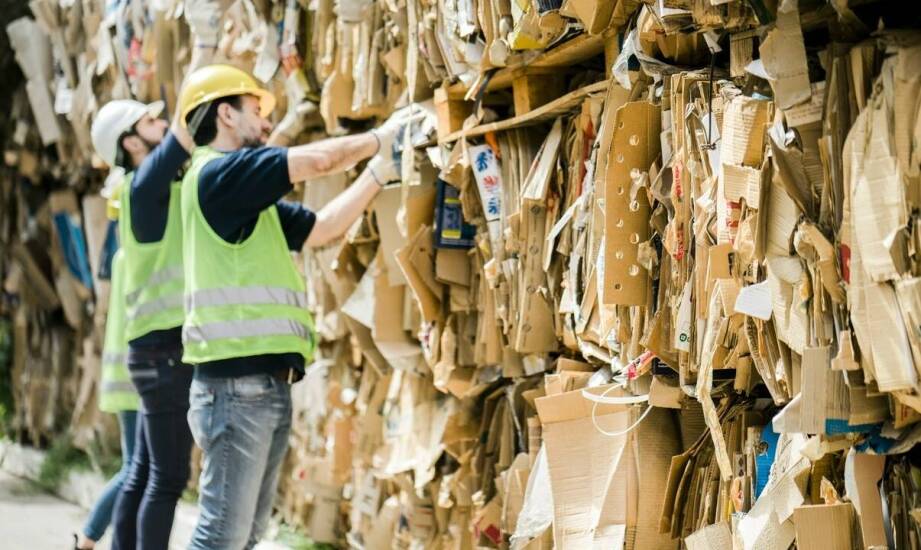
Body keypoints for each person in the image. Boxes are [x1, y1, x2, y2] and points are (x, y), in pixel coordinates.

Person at [176, 64, 414, 549]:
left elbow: (321, 229)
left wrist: (378, 172)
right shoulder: (219, 175)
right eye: (257, 111)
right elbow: (321, 162)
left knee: (243, 537)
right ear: (226, 113)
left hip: (260, 386)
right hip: (235, 389)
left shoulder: (242, 201)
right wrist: (383, 137)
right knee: (221, 536)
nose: (267, 124)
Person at [89, 97, 195, 550]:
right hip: (164, 348)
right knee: (164, 476)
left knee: (147, 472)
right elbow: (183, 137)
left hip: (159, 347)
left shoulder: (154, 186)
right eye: (151, 121)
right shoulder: (146, 183)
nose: (164, 123)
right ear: (131, 142)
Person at [73, 215, 140, 549]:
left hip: (125, 378)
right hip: (138, 380)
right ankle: (88, 538)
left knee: (136, 468)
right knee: (137, 469)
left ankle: (89, 539)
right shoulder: (137, 260)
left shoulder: (122, 258)